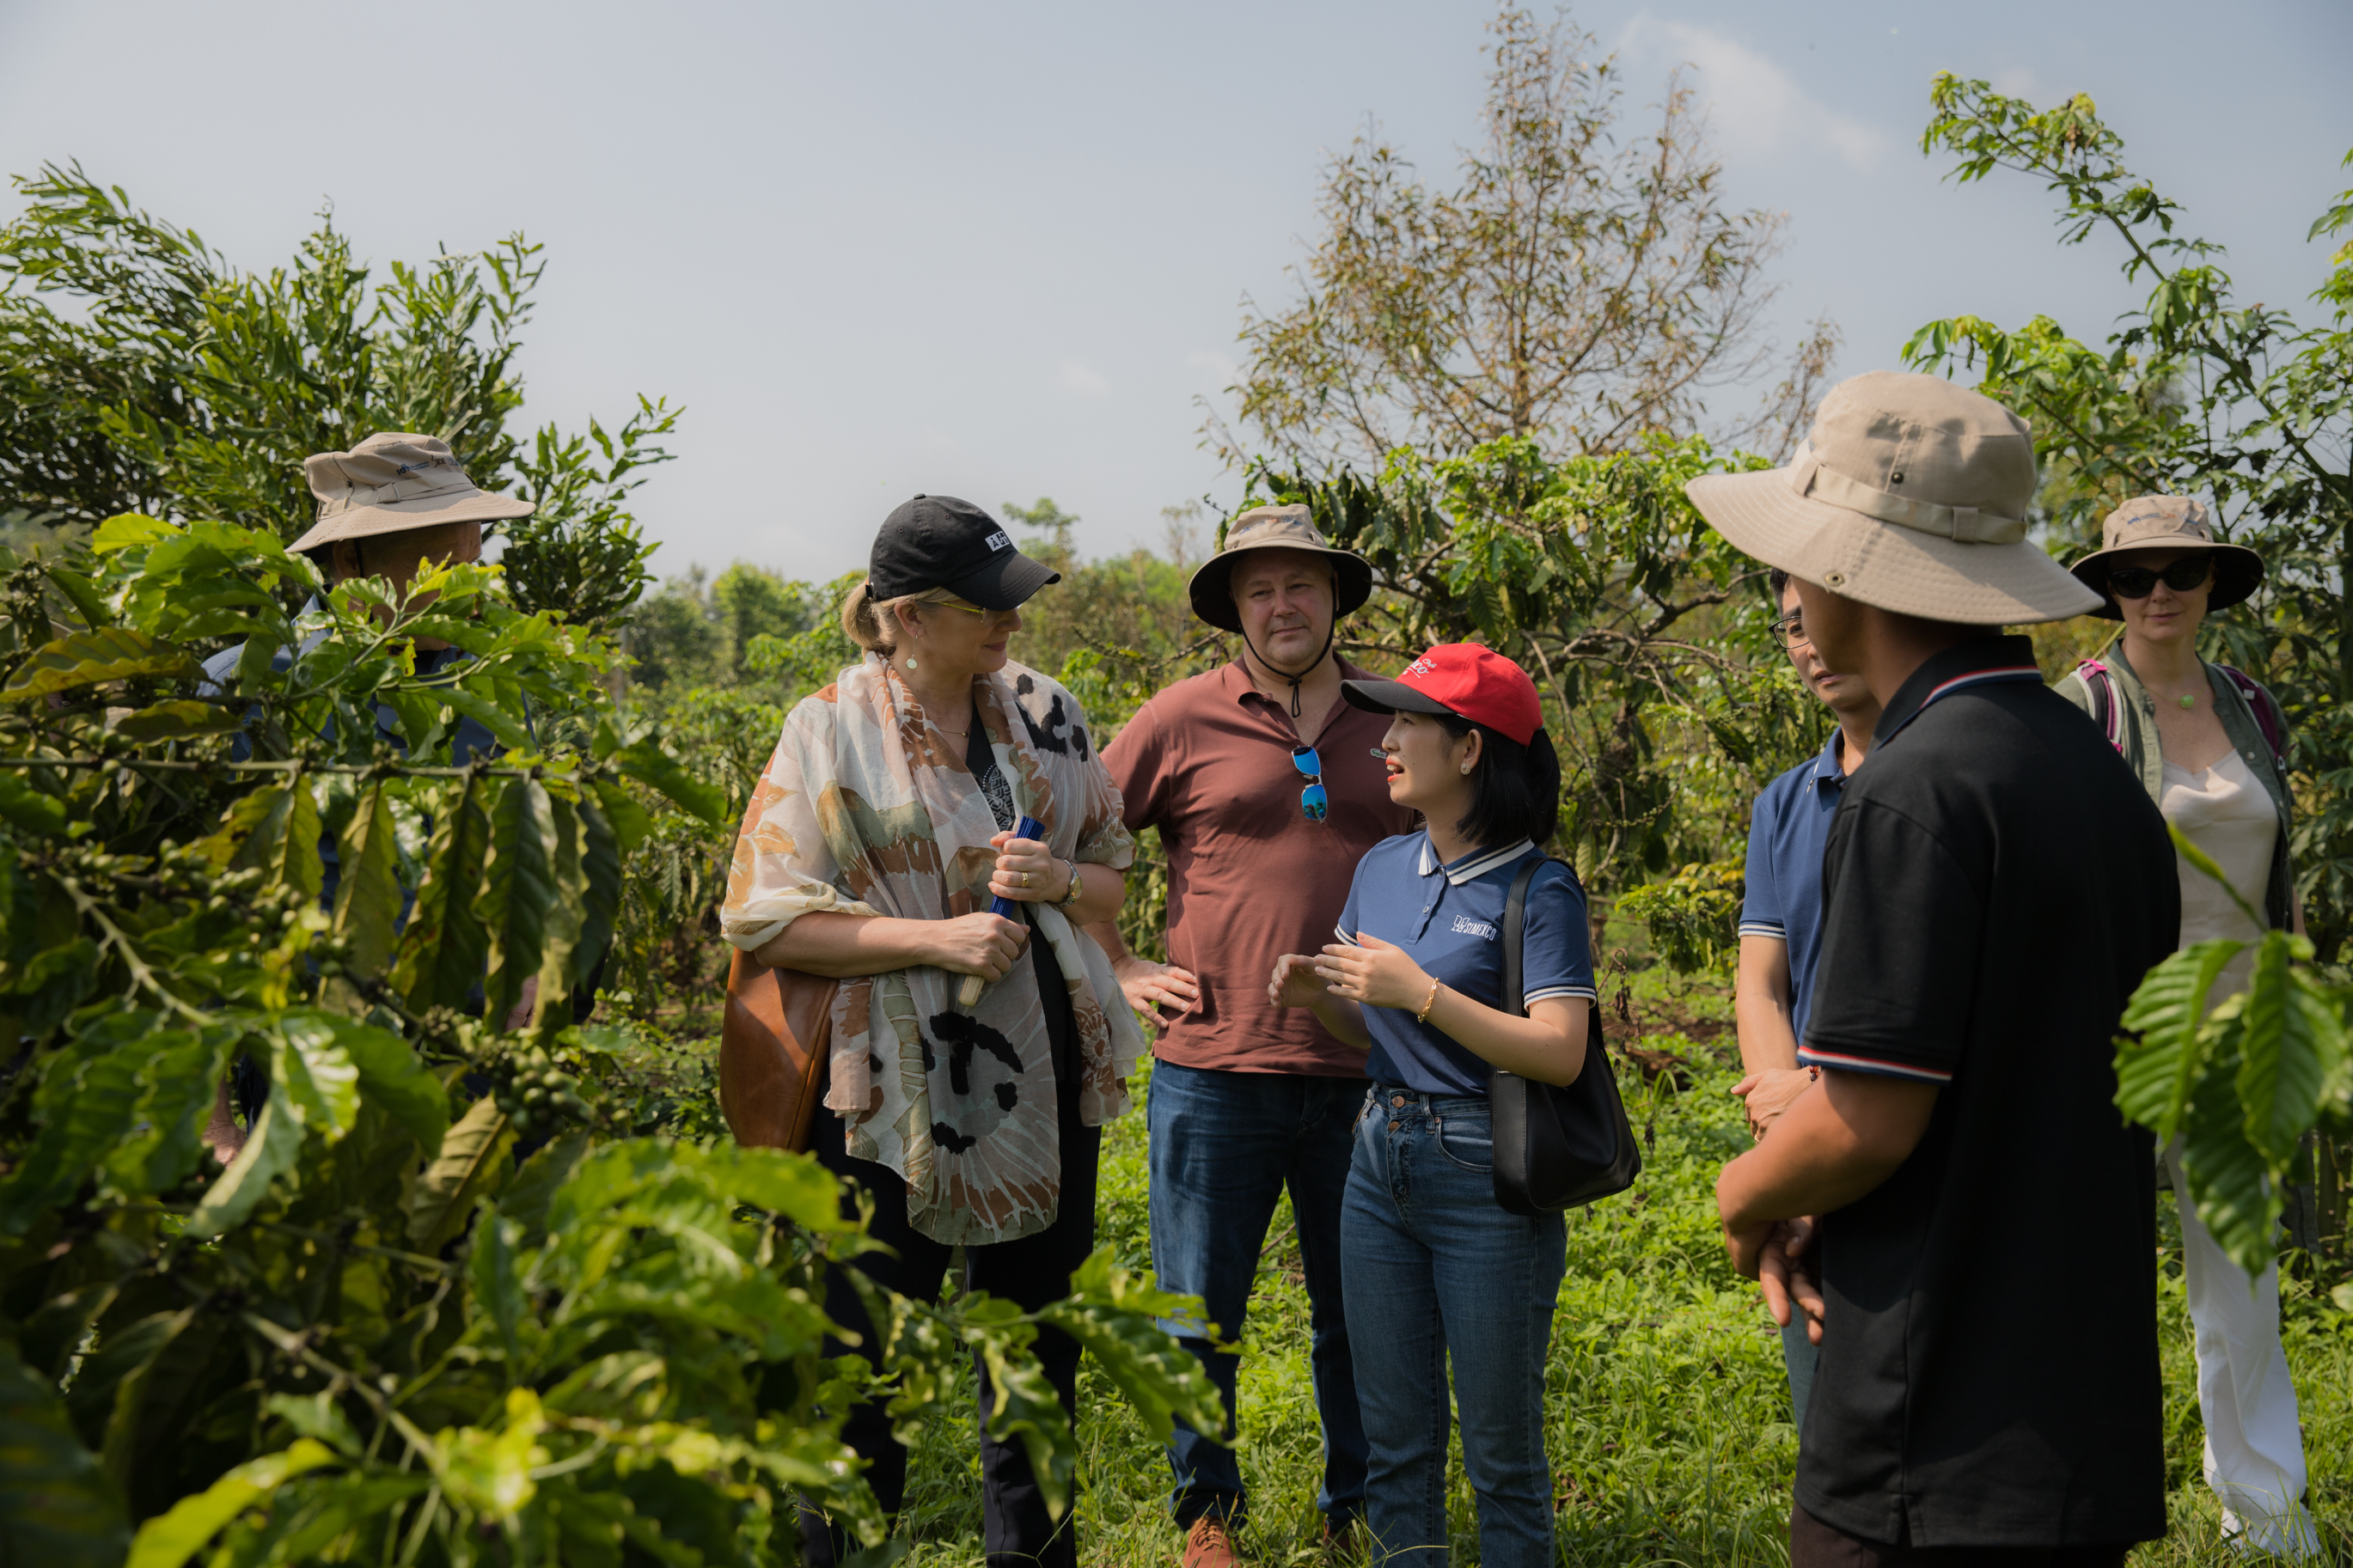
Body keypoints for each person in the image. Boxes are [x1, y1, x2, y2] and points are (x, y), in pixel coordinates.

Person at [1692, 370, 2179, 1565]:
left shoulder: (1911, 789)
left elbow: (1863, 1122)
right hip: (2070, 1408)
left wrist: (1745, 1192)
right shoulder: (2093, 775)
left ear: (1844, 570)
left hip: (1933, 1427)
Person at [718, 495, 1144, 1568]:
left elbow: (1109, 873)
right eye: (983, 606)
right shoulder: (828, 725)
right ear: (905, 615)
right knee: (867, 1354)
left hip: (1039, 1062)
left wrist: (1056, 877)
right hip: (886, 1077)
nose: (1010, 625)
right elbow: (765, 915)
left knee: (1035, 1348)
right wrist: (935, 940)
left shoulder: (1048, 708)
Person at [1082, 506, 1413, 1565]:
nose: (1282, 605)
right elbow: (1085, 836)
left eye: (1300, 585)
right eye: (1259, 588)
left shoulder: (1391, 713)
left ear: (1332, 597)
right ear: (1233, 606)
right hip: (1214, 1065)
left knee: (1359, 1305)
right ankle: (1205, 1513)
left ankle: (1351, 1502)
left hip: (1369, 1065)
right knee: (1198, 1309)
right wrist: (1119, 961)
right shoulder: (1179, 717)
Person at [1268, 642, 1595, 1568]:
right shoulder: (1381, 865)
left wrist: (1419, 992)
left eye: (1410, 721)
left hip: (1484, 1170)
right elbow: (1364, 1027)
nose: (1386, 738)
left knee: (1501, 1455)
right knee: (1395, 1447)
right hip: (1379, 1157)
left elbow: (1560, 1053)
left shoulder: (1537, 886)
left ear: (1470, 749)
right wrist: (1320, 995)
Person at [2054, 496, 2320, 1559]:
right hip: (2122, 1038)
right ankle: (2074, 1514)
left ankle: (2264, 1517)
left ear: (2213, 583)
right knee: (2088, 1283)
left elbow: (2280, 871)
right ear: (2107, 591)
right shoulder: (2080, 709)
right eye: (2133, 575)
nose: (2157, 591)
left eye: (2179, 570)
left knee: (2240, 1288)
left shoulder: (2251, 703)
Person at [200, 432, 535, 1161]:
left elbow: (526, 860)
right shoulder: (247, 687)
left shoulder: (491, 684)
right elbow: (189, 914)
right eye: (439, 559)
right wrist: (216, 1129)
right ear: (347, 561)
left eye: (473, 556)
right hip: (311, 1072)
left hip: (470, 1070)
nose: (466, 580)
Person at [1732, 566, 1882, 1437]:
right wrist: (1785, 1129)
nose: (1813, 646)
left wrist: (1818, 1090)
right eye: (1792, 627)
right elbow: (1761, 977)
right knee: (1828, 1425)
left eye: (1827, 618)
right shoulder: (1783, 803)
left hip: (1904, 1133)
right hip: (1808, 1151)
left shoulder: (1943, 779)